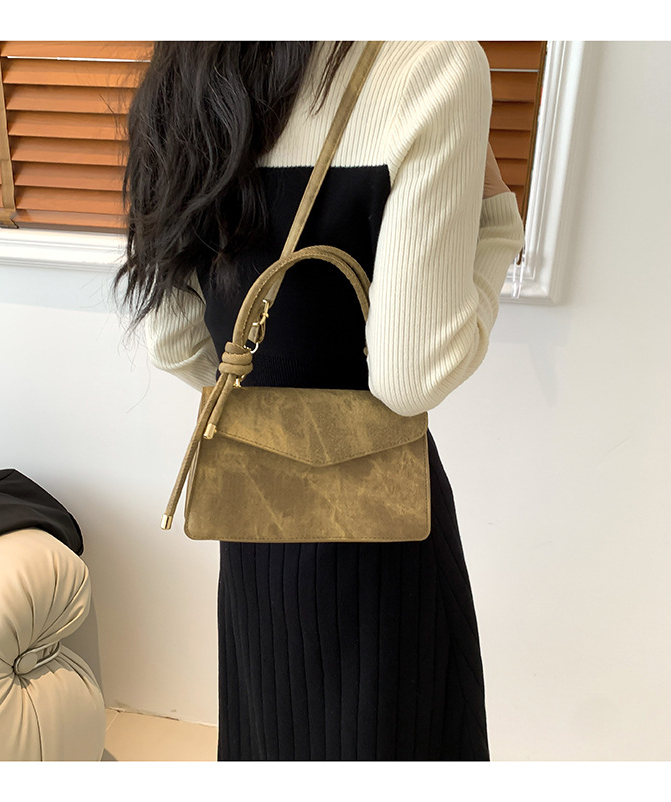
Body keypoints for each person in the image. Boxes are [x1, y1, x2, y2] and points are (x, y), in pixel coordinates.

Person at [115, 40, 525, 761]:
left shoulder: (187, 65)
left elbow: (175, 341)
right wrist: (495, 229)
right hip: (380, 534)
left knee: (272, 733)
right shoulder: (430, 62)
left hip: (255, 516)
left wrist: (269, 396)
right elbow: (410, 376)